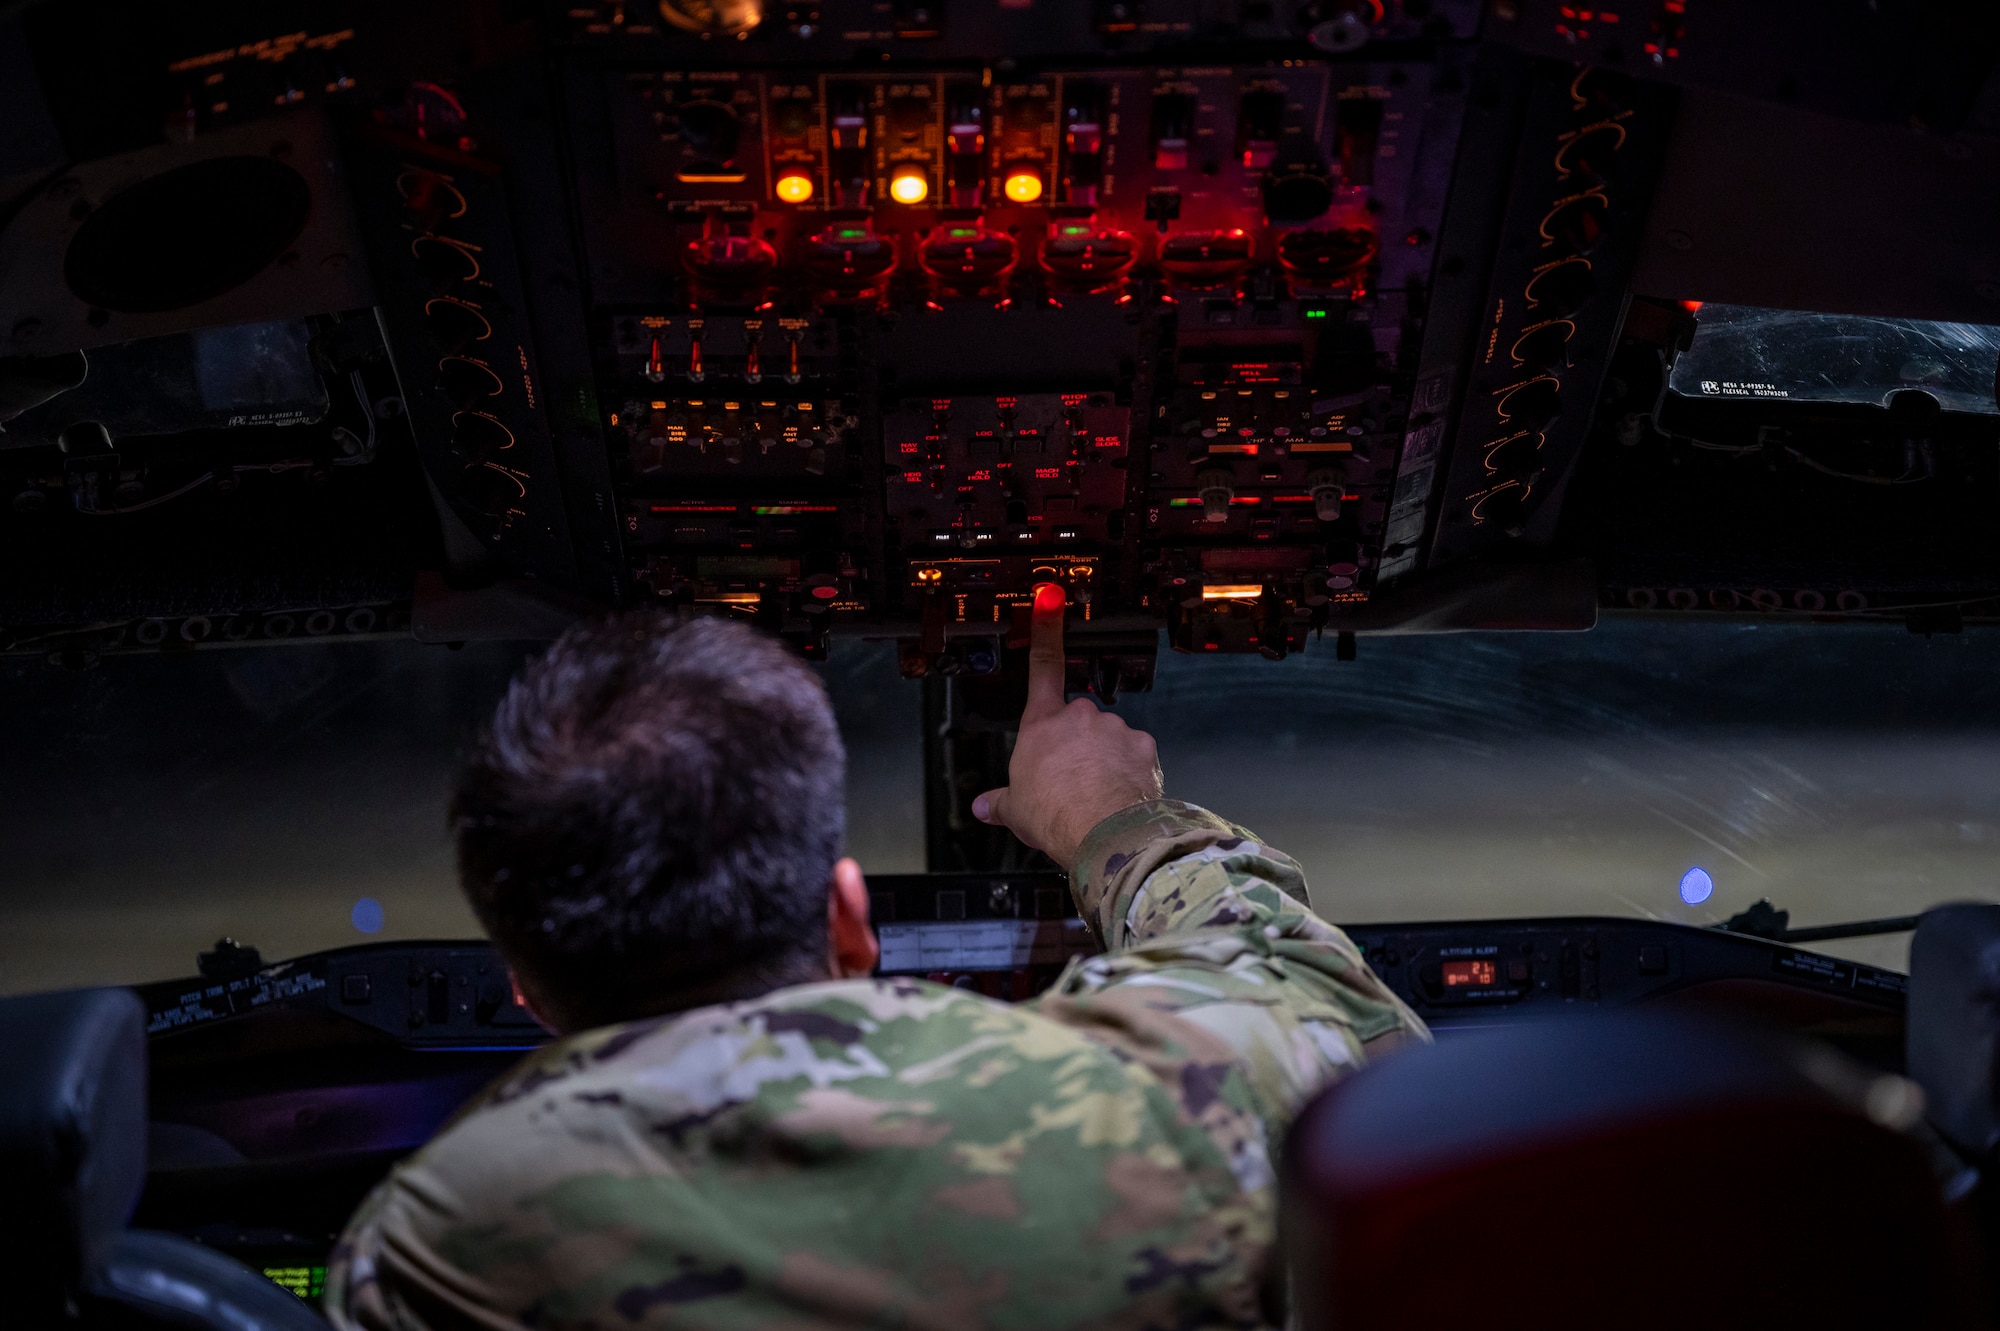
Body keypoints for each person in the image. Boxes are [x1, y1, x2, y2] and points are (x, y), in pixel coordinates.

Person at [326, 585, 1428, 1331]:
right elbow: (1336, 1020)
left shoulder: (427, 1248)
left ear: (524, 989)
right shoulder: (1135, 1114)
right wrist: (1107, 819)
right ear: (849, 921)